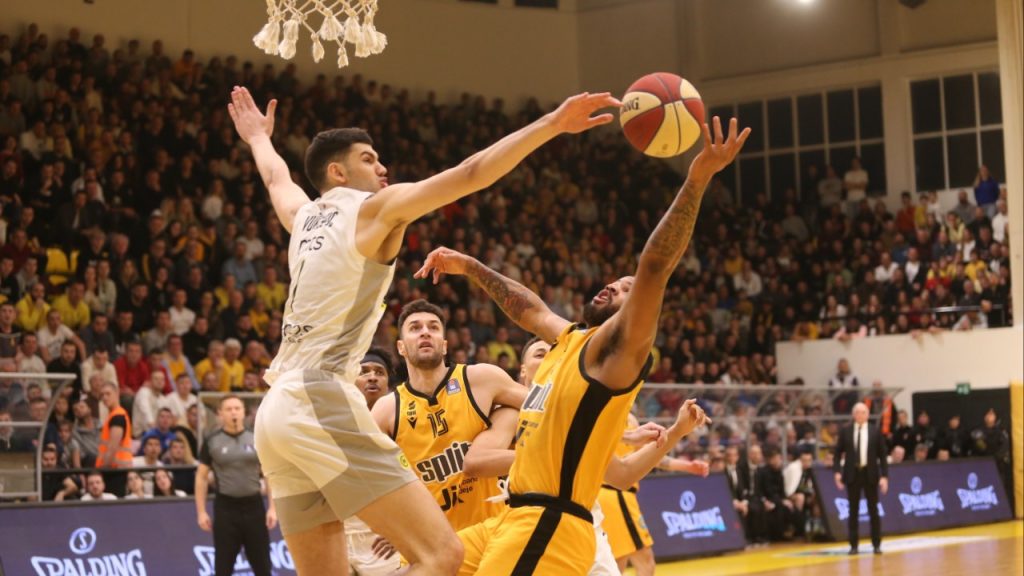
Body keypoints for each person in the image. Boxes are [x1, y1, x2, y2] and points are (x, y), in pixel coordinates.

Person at [228, 82, 620, 576]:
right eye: (369, 159)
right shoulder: (373, 209)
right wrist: (552, 124)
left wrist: (258, 138)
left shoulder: (304, 217)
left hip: (274, 413)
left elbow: (275, 178)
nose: (382, 168)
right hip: (320, 397)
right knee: (442, 555)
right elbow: (470, 173)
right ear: (338, 172)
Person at [414, 115, 745, 574]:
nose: (613, 285)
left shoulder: (620, 354)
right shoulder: (571, 340)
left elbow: (654, 265)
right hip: (511, 517)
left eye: (625, 289)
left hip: (549, 522)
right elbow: (529, 310)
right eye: (613, 282)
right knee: (428, 563)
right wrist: (471, 267)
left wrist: (697, 178)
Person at [370, 300, 525, 531]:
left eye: (433, 327)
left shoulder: (481, 379)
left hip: (492, 531)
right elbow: (373, 483)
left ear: (444, 345)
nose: (425, 332)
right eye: (415, 327)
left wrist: (509, 425)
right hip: (433, 541)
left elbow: (545, 408)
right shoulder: (387, 410)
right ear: (401, 347)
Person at [196, 395, 276, 576]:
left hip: (254, 507)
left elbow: (269, 473)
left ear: (244, 412)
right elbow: (201, 477)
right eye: (229, 409)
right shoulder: (212, 441)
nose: (233, 412)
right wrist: (201, 511)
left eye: (237, 408)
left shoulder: (256, 437)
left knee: (263, 566)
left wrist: (272, 507)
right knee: (223, 567)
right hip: (226, 509)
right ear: (220, 414)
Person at [347, 349, 403, 576]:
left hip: (384, 537)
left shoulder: (404, 421)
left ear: (388, 383)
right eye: (364, 372)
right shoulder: (336, 422)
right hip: (342, 533)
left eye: (379, 372)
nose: (372, 377)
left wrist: (406, 531)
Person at [833, 402, 888, 555]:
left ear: (868, 415)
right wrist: (837, 472)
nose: (860, 415)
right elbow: (837, 453)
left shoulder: (874, 431)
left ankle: (876, 544)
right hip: (853, 474)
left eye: (863, 412)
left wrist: (884, 476)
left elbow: (882, 455)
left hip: (870, 474)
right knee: (853, 511)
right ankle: (853, 545)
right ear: (853, 415)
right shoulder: (846, 431)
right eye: (857, 412)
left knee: (873, 510)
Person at [95, 381, 132, 497]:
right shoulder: (114, 415)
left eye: (108, 394)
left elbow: (112, 448)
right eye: (102, 395)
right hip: (115, 470)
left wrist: (102, 470)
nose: (104, 398)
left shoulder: (117, 416)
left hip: (114, 472)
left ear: (117, 393)